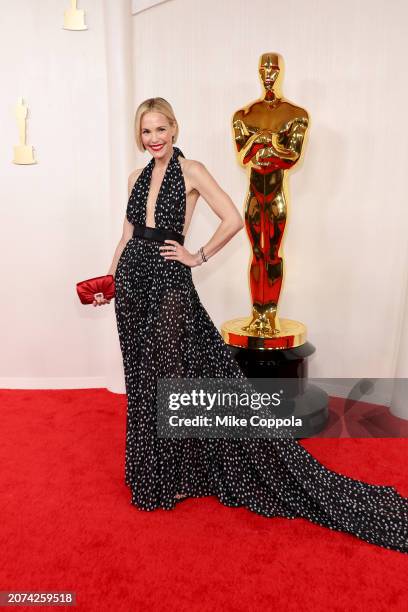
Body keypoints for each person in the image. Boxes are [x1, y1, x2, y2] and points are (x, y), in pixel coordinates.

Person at [95, 97, 408, 554]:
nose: (154, 138)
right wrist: (109, 279)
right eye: (146, 131)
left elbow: (234, 218)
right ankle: (155, 472)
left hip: (167, 284)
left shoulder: (192, 170)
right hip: (133, 286)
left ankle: (179, 474)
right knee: (144, 381)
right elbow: (126, 236)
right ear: (139, 135)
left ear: (174, 128)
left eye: (161, 129)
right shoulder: (134, 178)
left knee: (174, 377)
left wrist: (195, 254)